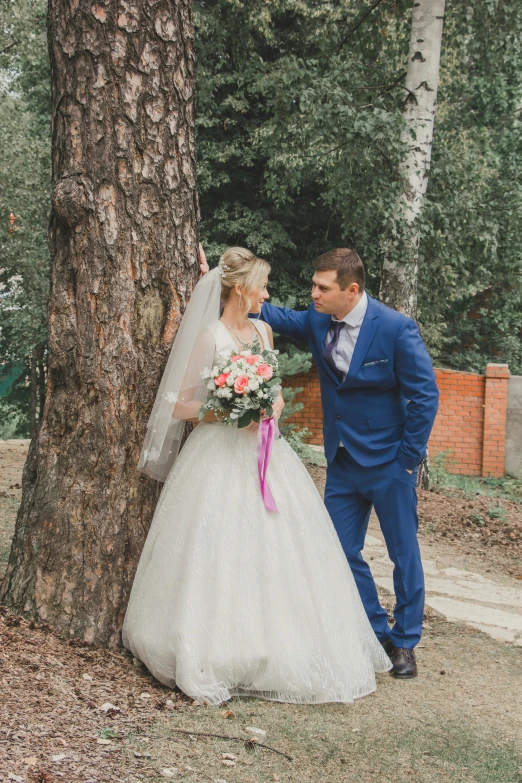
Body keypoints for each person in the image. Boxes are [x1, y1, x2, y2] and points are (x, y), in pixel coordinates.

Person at [122, 247, 391, 705]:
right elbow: (182, 404)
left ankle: (274, 646)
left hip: (267, 454)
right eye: (263, 286)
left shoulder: (264, 331)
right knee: (218, 547)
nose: (268, 295)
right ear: (241, 289)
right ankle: (217, 649)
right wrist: (226, 410)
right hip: (218, 455)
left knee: (278, 546)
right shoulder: (210, 337)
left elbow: (276, 389)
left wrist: (273, 404)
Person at [234, 247, 439, 679]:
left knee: (404, 554)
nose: (313, 294)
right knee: (338, 551)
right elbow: (269, 314)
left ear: (351, 289)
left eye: (322, 287)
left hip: (390, 464)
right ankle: (375, 629)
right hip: (343, 462)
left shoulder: (397, 329)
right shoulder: (317, 320)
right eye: (313, 285)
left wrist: (407, 460)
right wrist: (225, 284)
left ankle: (405, 644)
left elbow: (426, 397)